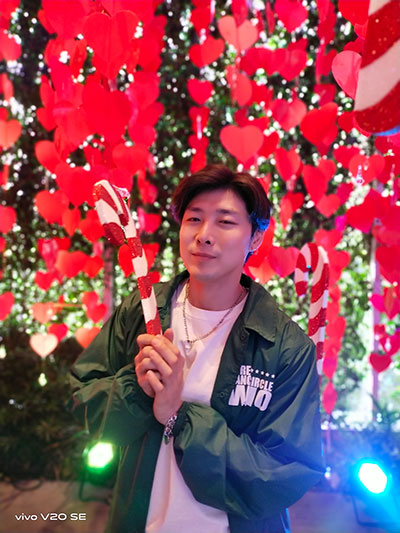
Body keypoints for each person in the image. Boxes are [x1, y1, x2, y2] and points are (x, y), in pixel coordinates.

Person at [69, 164, 325, 533]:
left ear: (255, 238)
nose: (204, 235)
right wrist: (137, 388)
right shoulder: (143, 311)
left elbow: (284, 472)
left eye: (225, 222)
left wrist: (179, 415)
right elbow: (85, 404)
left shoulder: (283, 345)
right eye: (194, 219)